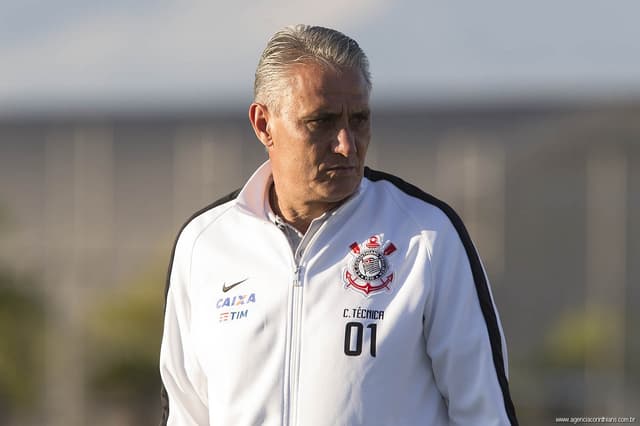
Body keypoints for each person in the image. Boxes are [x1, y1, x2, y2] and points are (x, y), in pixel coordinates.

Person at [159, 24, 518, 425]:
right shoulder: (204, 243)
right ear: (264, 124)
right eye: (322, 121)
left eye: (359, 119)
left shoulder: (426, 235)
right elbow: (186, 413)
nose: (347, 143)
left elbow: (484, 411)